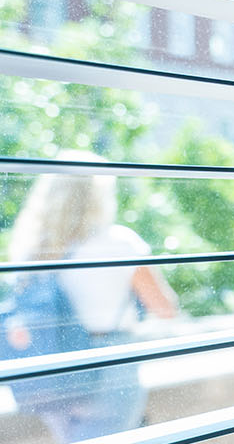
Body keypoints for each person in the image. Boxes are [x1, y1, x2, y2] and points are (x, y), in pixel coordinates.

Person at [2, 151, 178, 443]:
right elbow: (165, 308)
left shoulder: (30, 249)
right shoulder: (119, 243)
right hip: (109, 368)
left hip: (52, 371)